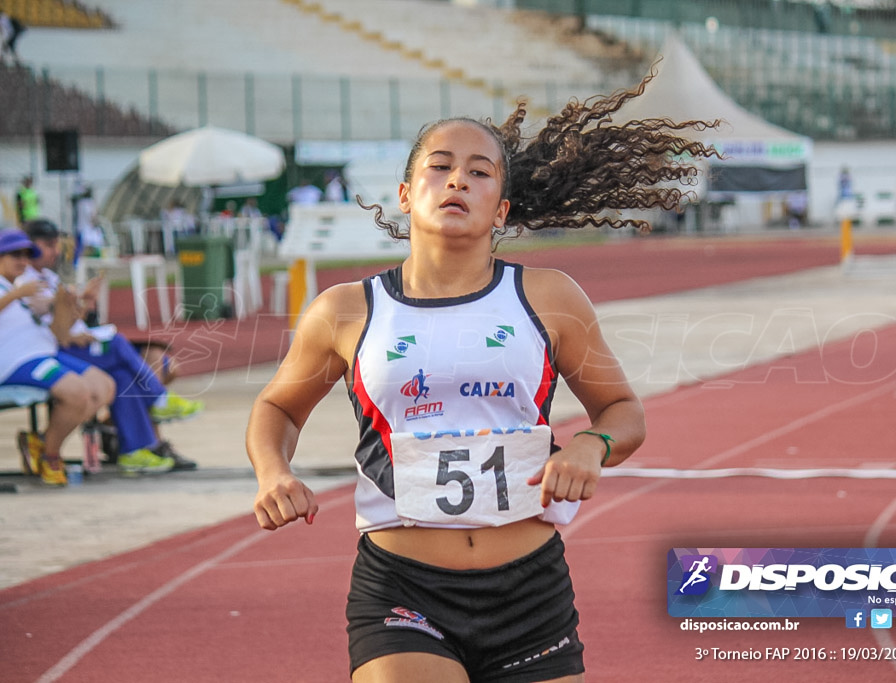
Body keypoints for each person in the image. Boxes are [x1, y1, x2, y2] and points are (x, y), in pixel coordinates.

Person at [247, 73, 718, 681]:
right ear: (404, 193)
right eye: (439, 167)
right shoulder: (346, 310)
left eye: (479, 172)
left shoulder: (549, 297)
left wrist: (589, 444)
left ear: (501, 208)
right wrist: (273, 472)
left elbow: (624, 411)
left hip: (530, 589)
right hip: (402, 588)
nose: (457, 181)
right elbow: (277, 409)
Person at [18, 219, 203, 473]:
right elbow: (55, 331)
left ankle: (134, 450)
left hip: (70, 343)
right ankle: (158, 400)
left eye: (56, 245)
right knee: (116, 344)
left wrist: (83, 305)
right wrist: (66, 306)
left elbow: (65, 321)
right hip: (51, 351)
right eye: (48, 245)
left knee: (126, 374)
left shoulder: (47, 277)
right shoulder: (23, 281)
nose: (56, 252)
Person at [0, 228, 114, 486]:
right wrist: (16, 295)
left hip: (42, 352)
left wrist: (79, 305)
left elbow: (59, 333)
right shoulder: (17, 290)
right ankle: (50, 456)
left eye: (26, 255)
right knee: (77, 392)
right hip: (14, 361)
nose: (22, 260)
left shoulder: (20, 287)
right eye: (14, 254)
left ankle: (42, 442)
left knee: (102, 387)